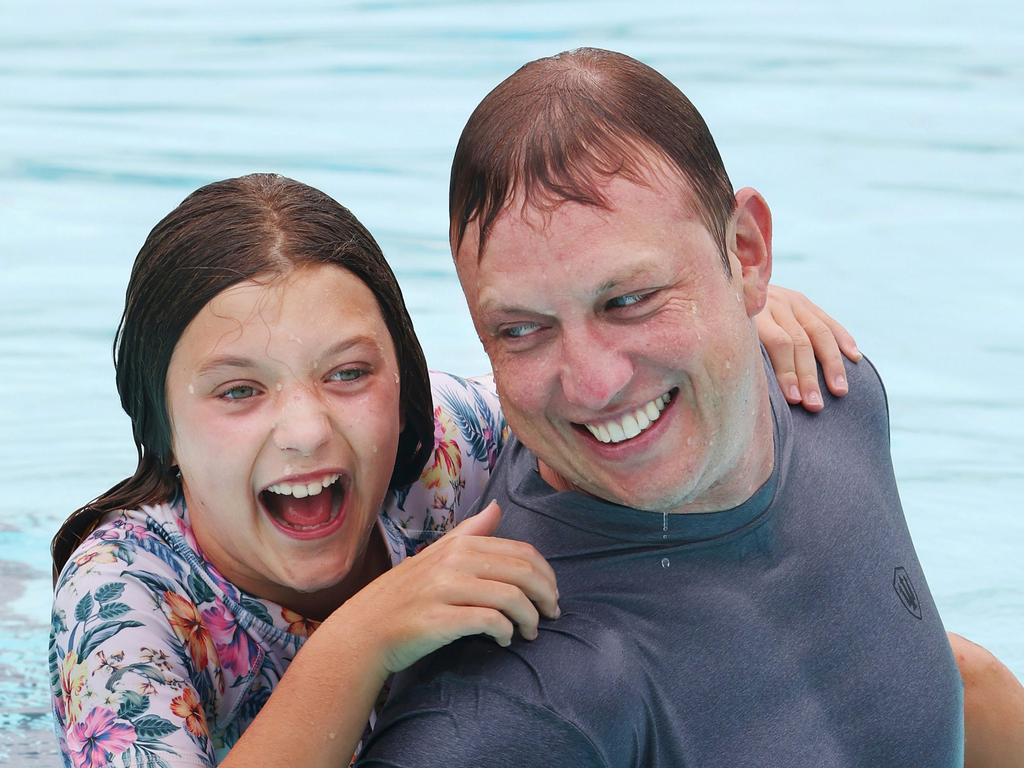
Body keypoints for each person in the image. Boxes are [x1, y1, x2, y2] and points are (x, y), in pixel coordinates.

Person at [48, 173, 856, 768]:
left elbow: (613, 404)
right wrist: (363, 637)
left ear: (404, 383)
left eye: (350, 374)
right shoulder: (121, 599)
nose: (305, 429)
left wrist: (733, 313)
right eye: (238, 390)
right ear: (160, 430)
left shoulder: (447, 448)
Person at [357, 49, 1022, 767]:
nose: (592, 385)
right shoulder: (515, 708)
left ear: (747, 253)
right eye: (522, 330)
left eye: (630, 300)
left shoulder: (834, 396)